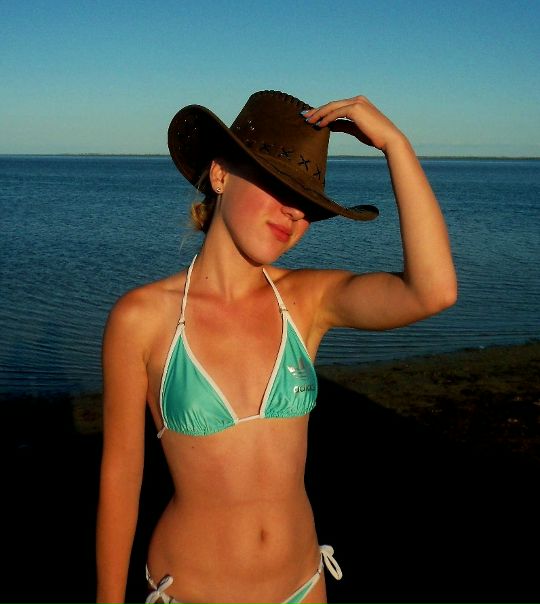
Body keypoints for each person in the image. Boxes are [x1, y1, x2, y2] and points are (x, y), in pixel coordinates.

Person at [96, 90, 457, 604]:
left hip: (303, 587)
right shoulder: (141, 318)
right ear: (220, 174)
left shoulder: (307, 302)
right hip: (191, 592)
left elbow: (433, 291)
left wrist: (396, 146)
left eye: (307, 203)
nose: (293, 212)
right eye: (276, 183)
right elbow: (120, 477)